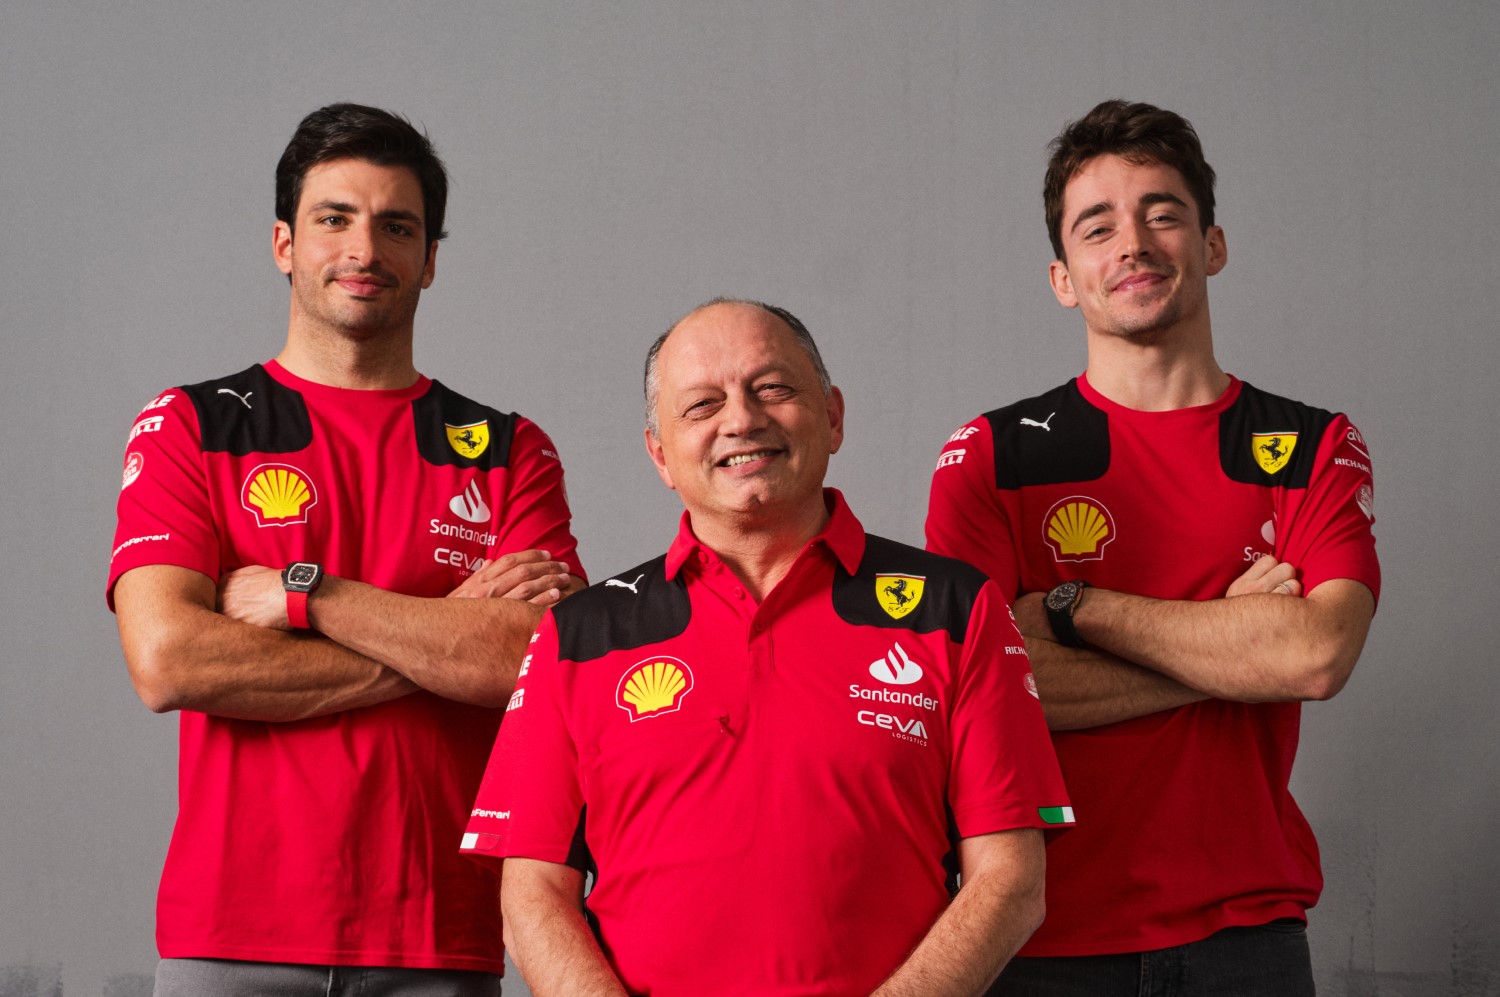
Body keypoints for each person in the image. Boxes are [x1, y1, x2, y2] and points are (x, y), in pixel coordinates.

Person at [461, 299, 1073, 997]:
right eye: (701, 404)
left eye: (772, 388)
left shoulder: (954, 608)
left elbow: (1012, 880)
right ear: (660, 452)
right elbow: (532, 891)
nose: (741, 419)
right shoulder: (578, 635)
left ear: (834, 416)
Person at [108, 103, 585, 996]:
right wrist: (446, 635)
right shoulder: (192, 425)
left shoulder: (508, 447)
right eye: (335, 219)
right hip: (233, 933)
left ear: (430, 259)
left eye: (396, 226)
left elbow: (539, 664)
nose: (365, 249)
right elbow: (168, 659)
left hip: (441, 932)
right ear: (285, 243)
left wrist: (308, 595)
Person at [926, 100, 1380, 995]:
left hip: (1246, 932)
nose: (1132, 243)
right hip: (1037, 928)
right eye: (1098, 227)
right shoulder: (991, 456)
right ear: (1064, 276)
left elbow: (1318, 653)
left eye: (1162, 213)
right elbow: (980, 692)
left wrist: (1071, 609)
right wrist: (1235, 640)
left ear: (1212, 245)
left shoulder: (1310, 444)